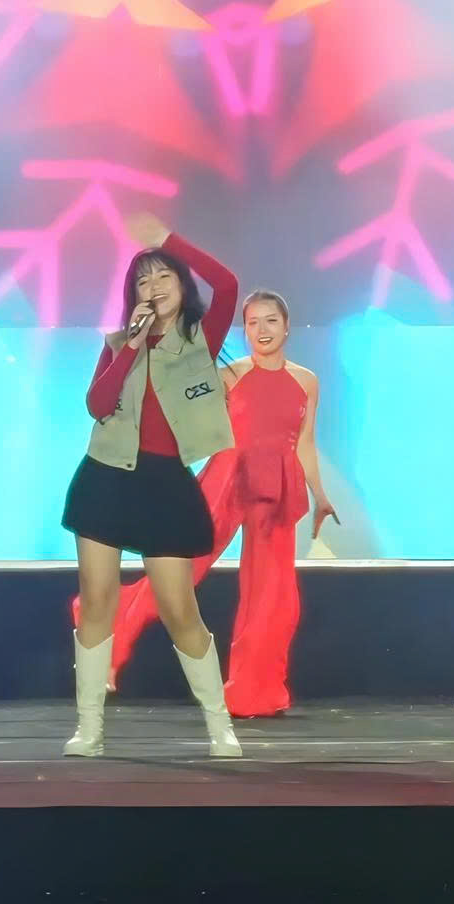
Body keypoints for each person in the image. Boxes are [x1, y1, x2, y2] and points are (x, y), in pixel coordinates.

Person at [89, 290, 335, 718]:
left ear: (287, 326)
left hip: (277, 486)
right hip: (228, 476)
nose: (262, 330)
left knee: (273, 594)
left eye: (270, 320)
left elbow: (305, 442)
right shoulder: (229, 376)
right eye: (253, 322)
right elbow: (183, 412)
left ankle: (254, 692)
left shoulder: (307, 381)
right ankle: (113, 626)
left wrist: (321, 495)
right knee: (181, 569)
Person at [63, 214, 243, 758]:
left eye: (165, 276)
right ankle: (89, 729)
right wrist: (131, 347)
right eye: (144, 280)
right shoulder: (120, 341)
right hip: (105, 477)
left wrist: (165, 240)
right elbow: (97, 405)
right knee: (98, 600)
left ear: (182, 285)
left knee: (178, 608)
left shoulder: (199, 339)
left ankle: (219, 726)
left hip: (165, 486)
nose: (154, 286)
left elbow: (228, 284)